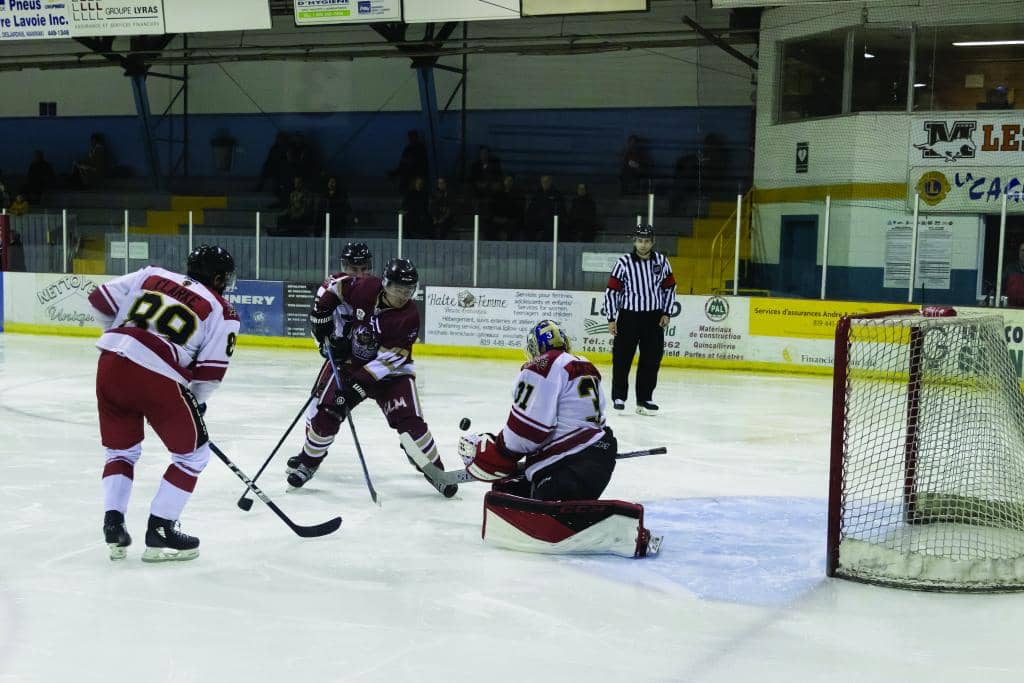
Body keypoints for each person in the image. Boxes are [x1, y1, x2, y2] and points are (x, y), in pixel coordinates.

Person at [87, 245, 240, 562]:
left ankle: (113, 522)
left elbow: (99, 299)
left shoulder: (151, 273)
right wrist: (194, 402)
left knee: (120, 451)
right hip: (158, 376)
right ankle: (161, 529)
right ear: (219, 277)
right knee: (194, 455)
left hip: (111, 363)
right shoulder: (223, 310)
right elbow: (209, 375)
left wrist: (123, 339)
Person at [457, 320, 660, 557]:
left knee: (538, 497)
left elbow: (528, 431)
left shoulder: (542, 365)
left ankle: (616, 530)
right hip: (599, 458)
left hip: (570, 467)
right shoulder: (584, 364)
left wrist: (500, 450)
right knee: (514, 487)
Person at [286, 256, 458, 497]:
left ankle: (435, 471)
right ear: (386, 283)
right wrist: (321, 315)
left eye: (409, 290)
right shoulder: (366, 287)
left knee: (411, 426)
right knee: (327, 413)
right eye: (399, 288)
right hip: (351, 364)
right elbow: (335, 288)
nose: (403, 295)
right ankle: (307, 463)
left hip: (392, 376)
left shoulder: (408, 317)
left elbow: (389, 360)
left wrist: (356, 389)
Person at [602, 224, 677, 415]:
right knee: (622, 358)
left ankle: (644, 399)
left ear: (652, 242)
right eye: (640, 241)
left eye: (646, 241)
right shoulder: (624, 263)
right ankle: (619, 396)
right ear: (634, 241)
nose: (643, 245)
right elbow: (612, 291)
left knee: (651, 360)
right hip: (629, 316)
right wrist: (611, 317)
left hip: (654, 318)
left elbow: (670, 287)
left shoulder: (661, 261)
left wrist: (666, 312)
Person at [524, 175, 564, 241]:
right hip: (538, 218)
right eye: (543, 181)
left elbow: (560, 209)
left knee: (550, 227)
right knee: (529, 225)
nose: (545, 183)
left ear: (550, 182)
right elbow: (531, 208)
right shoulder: (537, 193)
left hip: (551, 219)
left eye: (547, 181)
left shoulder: (556, 194)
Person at [1002, 242, 1024, 307]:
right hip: (1011, 309)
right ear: (1019, 252)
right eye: (1023, 250)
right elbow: (999, 288)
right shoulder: (1010, 269)